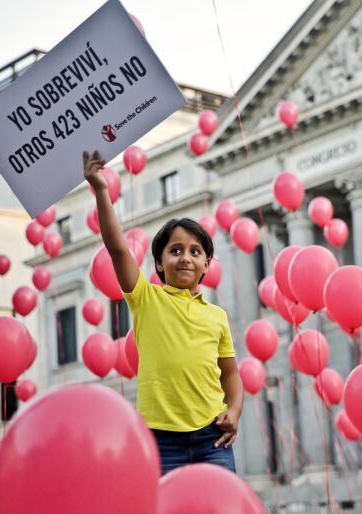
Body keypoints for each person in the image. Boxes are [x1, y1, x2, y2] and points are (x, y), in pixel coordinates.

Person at [83, 150, 243, 475]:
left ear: (206, 266)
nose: (185, 257)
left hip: (212, 437)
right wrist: (101, 190)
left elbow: (230, 373)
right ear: (159, 263)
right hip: (159, 440)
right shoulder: (145, 298)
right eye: (175, 250)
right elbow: (116, 248)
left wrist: (234, 411)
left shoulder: (217, 316)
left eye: (195, 252)